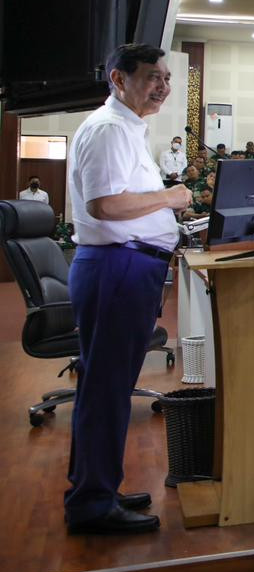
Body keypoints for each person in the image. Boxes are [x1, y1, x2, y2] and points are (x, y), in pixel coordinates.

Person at [64, 43, 191, 534]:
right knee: (106, 390)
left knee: (109, 389)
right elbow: (106, 206)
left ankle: (97, 488)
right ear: (119, 79)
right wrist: (170, 197)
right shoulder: (108, 129)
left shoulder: (128, 129)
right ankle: (92, 504)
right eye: (151, 77)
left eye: (166, 77)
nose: (162, 85)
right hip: (116, 268)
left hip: (129, 268)